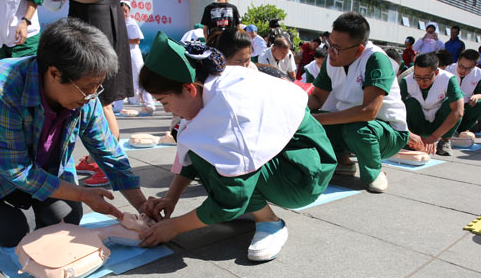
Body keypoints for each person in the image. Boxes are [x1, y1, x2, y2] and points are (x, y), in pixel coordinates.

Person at [136, 31, 336, 261]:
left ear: (189, 89)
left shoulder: (226, 106)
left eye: (165, 102)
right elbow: (193, 151)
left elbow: (231, 196)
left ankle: (269, 222)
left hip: (304, 175)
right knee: (203, 148)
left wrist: (175, 227)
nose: (168, 111)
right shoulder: (208, 85)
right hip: (295, 159)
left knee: (218, 166)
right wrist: (171, 198)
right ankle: (255, 210)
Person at [0, 18, 148, 247]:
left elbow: (109, 153)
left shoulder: (85, 94)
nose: (92, 96)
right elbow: (17, 171)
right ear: (54, 74)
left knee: (67, 218)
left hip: (44, 167)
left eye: (97, 86)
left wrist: (143, 207)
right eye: (86, 88)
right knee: (11, 233)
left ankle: (38, 202)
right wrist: (82, 194)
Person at [308, 12, 411, 193]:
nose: (330, 52)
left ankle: (375, 171)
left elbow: (368, 111)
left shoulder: (376, 59)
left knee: (356, 128)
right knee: (309, 121)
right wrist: (294, 105)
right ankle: (344, 163)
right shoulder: (331, 61)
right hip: (351, 123)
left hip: (388, 131)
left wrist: (319, 120)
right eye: (329, 44)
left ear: (359, 50)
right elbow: (316, 99)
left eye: (337, 48)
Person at [47, 0, 134, 187]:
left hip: (97, 23)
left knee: (102, 102)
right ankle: (95, 161)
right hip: (98, 20)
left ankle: (109, 166)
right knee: (96, 100)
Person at [399, 53, 464, 156]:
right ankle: (410, 142)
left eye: (426, 77)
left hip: (438, 123)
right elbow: (394, 109)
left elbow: (458, 111)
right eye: (417, 77)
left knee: (453, 106)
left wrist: (434, 137)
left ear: (436, 72)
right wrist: (408, 134)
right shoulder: (406, 81)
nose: (421, 82)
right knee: (409, 103)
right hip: (418, 122)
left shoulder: (448, 79)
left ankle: (445, 141)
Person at [113, 0, 155, 115]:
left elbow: (136, 40)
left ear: (129, 11)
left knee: (140, 80)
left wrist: (121, 41)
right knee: (119, 80)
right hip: (122, 54)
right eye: (121, 11)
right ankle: (117, 107)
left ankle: (149, 105)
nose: (123, 13)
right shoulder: (116, 23)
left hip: (132, 55)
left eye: (125, 11)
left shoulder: (131, 23)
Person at [445, 49, 481, 134]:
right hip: (450, 105)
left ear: (475, 65)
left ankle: (463, 129)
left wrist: (476, 97)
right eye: (461, 66)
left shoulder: (479, 75)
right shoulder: (448, 70)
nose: (463, 71)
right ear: (458, 60)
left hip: (466, 105)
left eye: (468, 68)